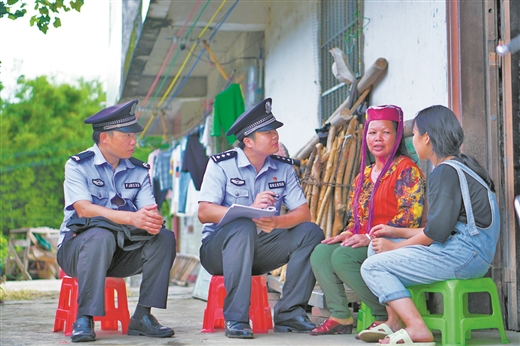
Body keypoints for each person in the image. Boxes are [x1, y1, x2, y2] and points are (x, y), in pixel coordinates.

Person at [359, 105, 500, 345]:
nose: (413, 141)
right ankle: (394, 322)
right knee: (376, 247)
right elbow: (445, 227)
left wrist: (395, 247)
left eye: (414, 135)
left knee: (372, 266)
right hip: (465, 251)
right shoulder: (461, 164)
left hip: (462, 257)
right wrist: (396, 232)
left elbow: (436, 233)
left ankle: (417, 328)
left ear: (427, 138)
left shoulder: (444, 172)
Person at [198, 98, 325, 339]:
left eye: (275, 130)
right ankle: (236, 319)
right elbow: (204, 212)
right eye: (267, 132)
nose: (275, 136)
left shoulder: (283, 168)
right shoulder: (221, 165)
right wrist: (248, 209)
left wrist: (276, 222)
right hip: (218, 252)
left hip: (260, 249)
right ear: (248, 141)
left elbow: (302, 213)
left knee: (311, 231)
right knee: (243, 226)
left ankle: (290, 313)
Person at [57, 99, 177, 343]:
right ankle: (84, 317)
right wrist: (131, 217)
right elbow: (83, 208)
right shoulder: (78, 165)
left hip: (121, 253)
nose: (134, 141)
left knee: (164, 238)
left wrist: (151, 220)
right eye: (127, 136)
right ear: (105, 138)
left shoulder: (139, 170)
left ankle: (142, 317)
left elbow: (147, 210)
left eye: (134, 136)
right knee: (101, 235)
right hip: (78, 250)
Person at [309, 105, 425, 335]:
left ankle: (388, 314)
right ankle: (340, 315)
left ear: (397, 135)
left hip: (395, 243)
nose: (377, 139)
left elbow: (409, 220)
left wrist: (368, 237)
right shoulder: (362, 176)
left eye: (385, 132)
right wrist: (348, 234)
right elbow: (356, 221)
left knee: (343, 257)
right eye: (372, 133)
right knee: (321, 253)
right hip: (368, 241)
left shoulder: (407, 170)